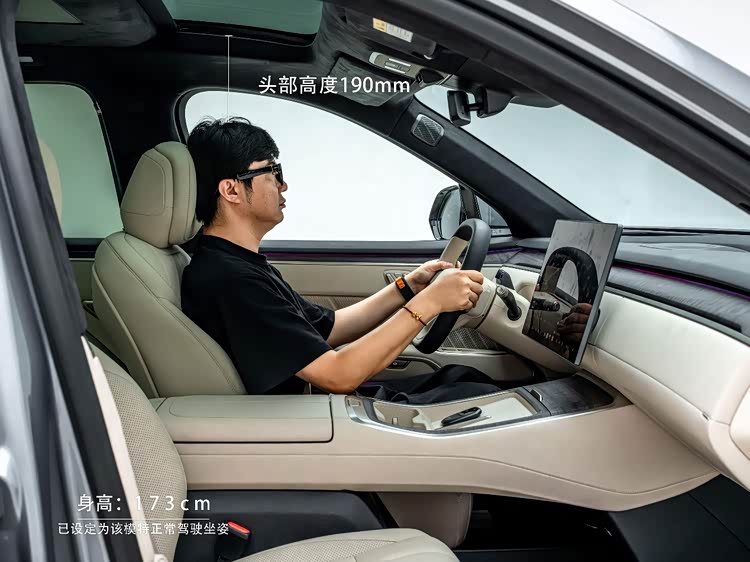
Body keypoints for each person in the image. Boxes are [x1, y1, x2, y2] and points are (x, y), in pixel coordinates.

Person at [181, 117, 503, 404]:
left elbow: (330, 328)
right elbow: (338, 375)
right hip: (311, 421)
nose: (283, 184)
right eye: (272, 172)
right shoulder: (232, 281)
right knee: (477, 395)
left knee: (461, 379)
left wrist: (409, 287)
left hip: (317, 409)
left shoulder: (236, 264)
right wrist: (430, 303)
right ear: (232, 190)